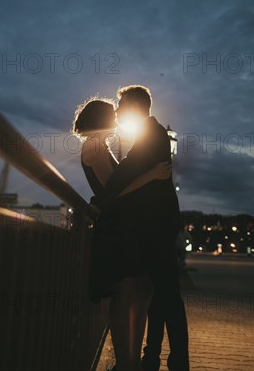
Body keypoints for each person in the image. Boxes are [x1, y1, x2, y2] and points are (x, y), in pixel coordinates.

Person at [94, 85, 190, 371]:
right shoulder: (151, 134)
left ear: (134, 107)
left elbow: (121, 178)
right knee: (162, 294)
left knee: (168, 295)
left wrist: (111, 196)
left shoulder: (152, 135)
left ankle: (177, 362)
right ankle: (155, 358)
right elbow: (129, 173)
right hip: (157, 226)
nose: (119, 110)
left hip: (155, 228)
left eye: (121, 105)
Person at [72, 98, 171, 371]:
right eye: (112, 116)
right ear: (101, 119)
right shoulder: (93, 147)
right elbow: (114, 192)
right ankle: (127, 363)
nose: (117, 120)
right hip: (117, 228)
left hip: (121, 226)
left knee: (139, 289)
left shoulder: (99, 146)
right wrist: (151, 175)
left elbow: (115, 189)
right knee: (128, 292)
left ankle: (128, 360)